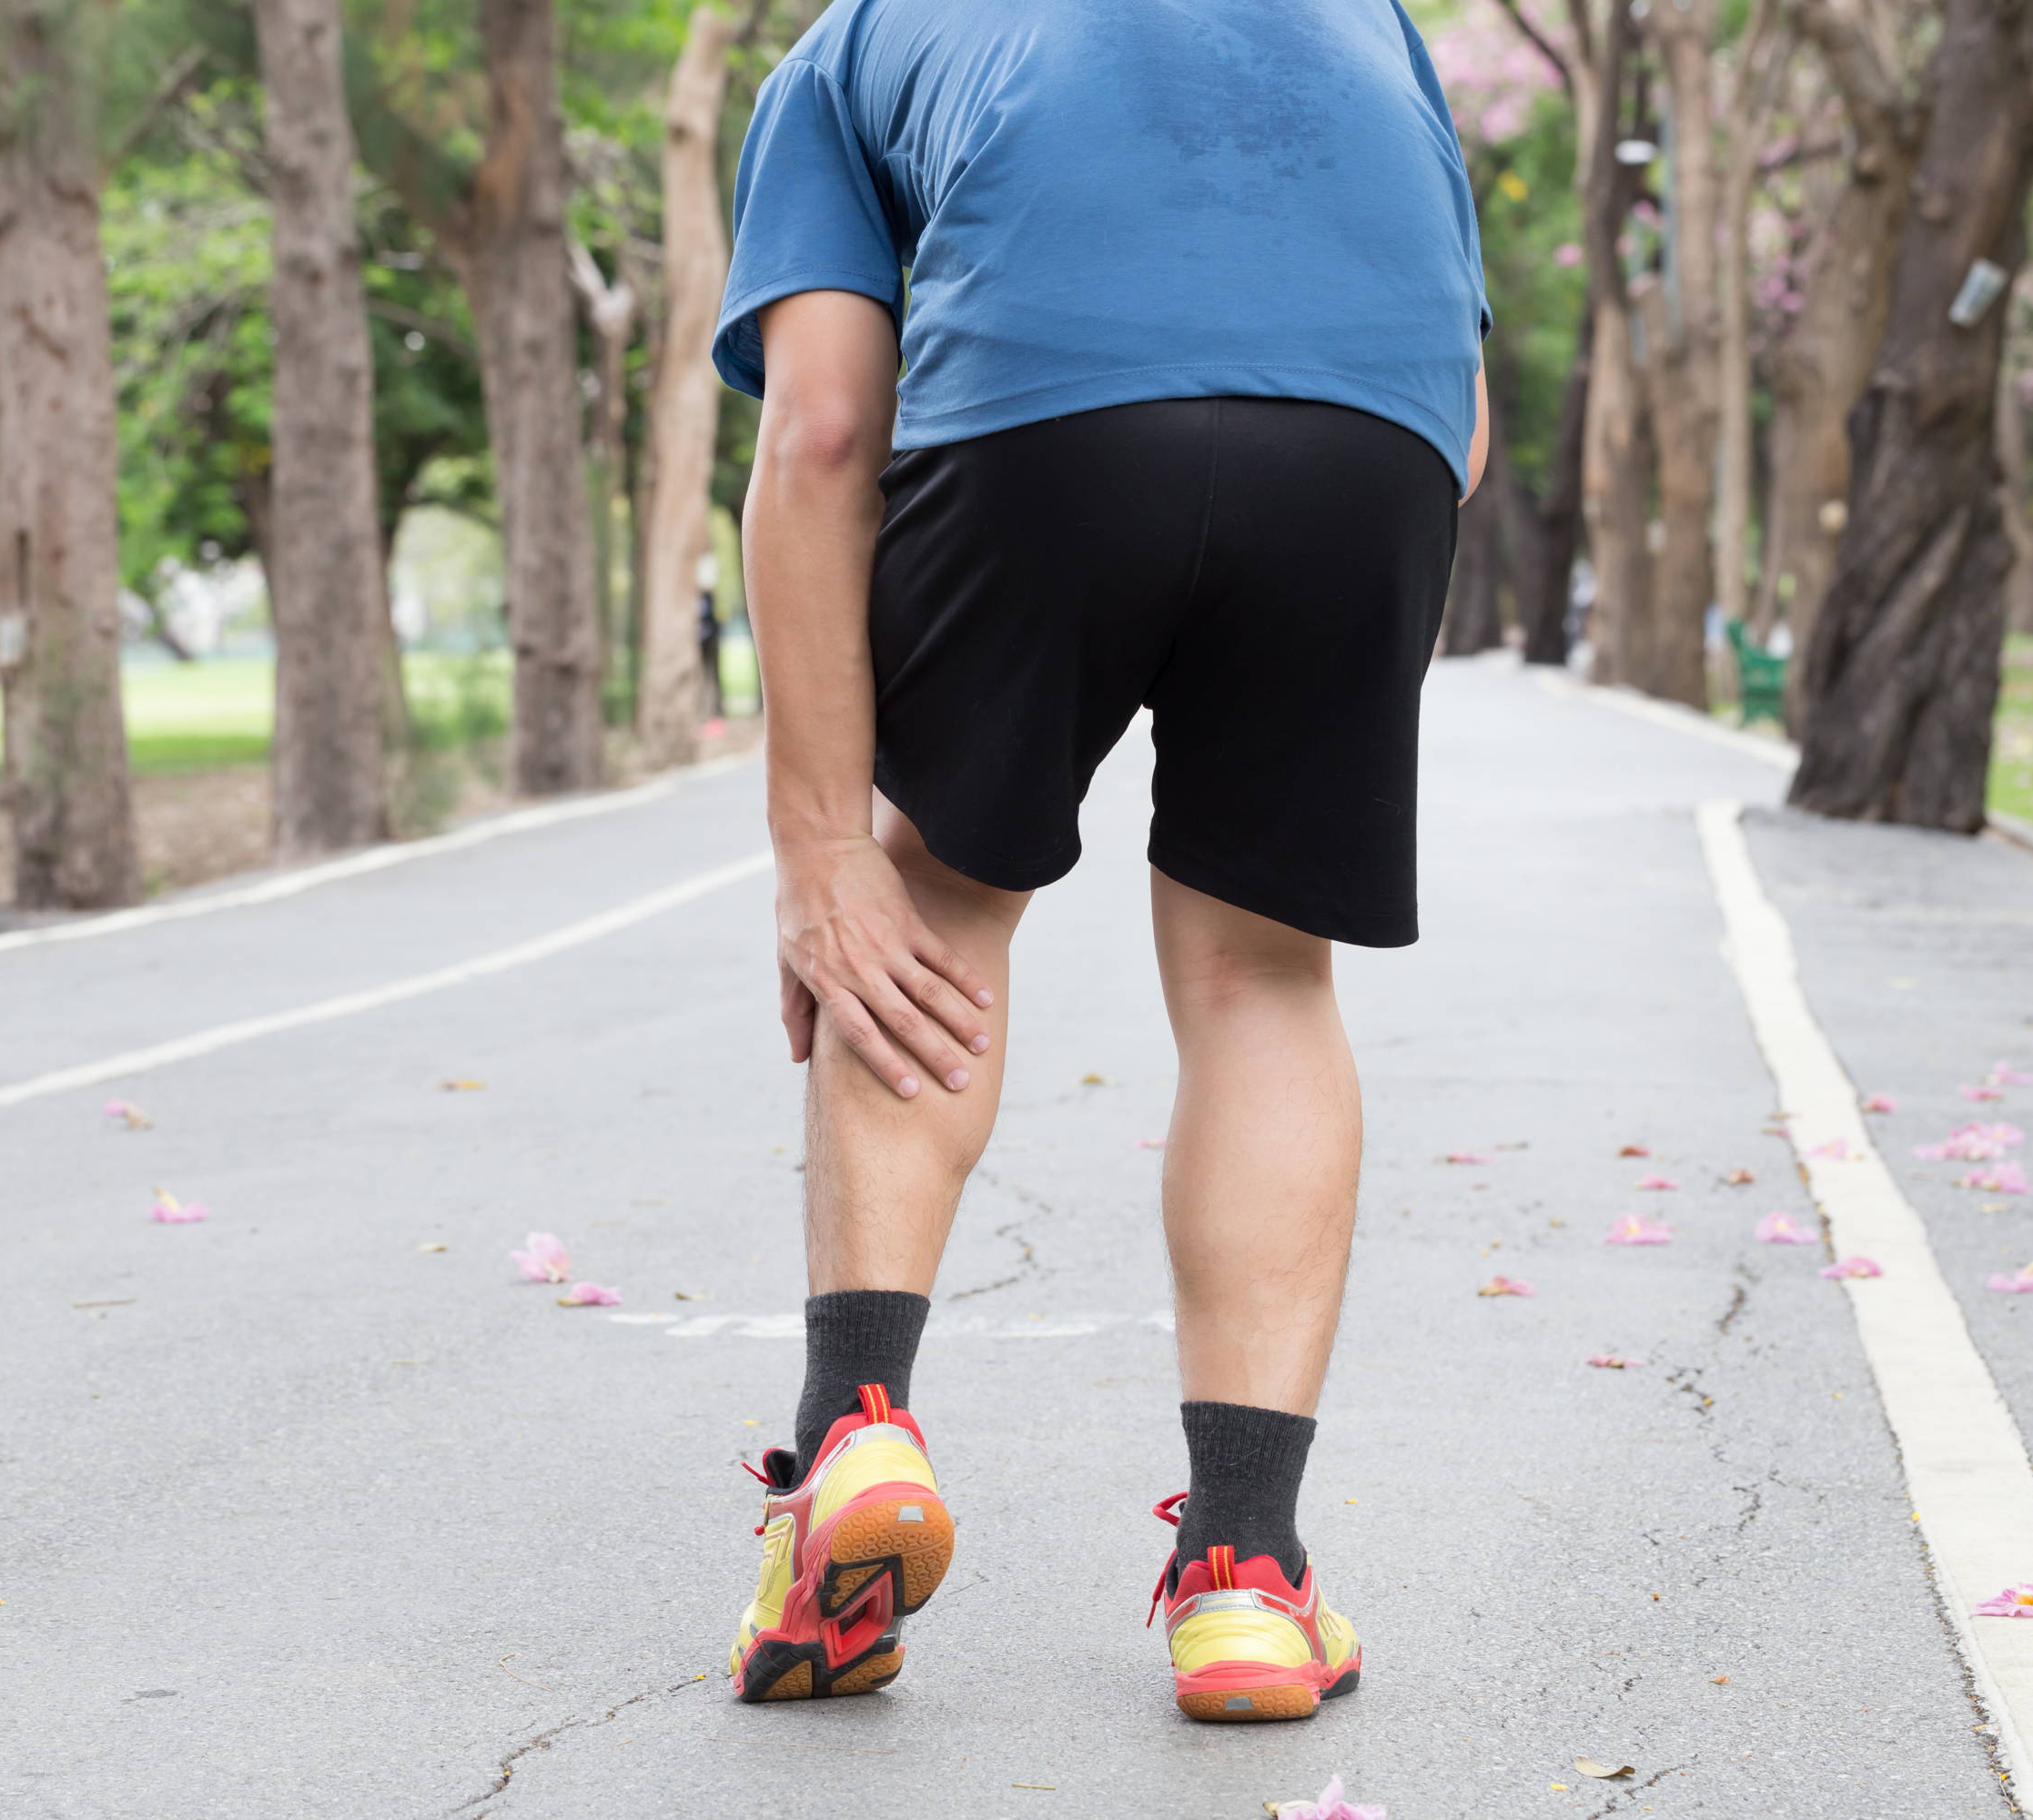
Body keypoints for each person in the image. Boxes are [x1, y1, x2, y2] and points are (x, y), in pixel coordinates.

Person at [712, 0, 1489, 1722]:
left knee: (929, 904)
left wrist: (823, 843)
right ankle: (1247, 1582)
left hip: (1055, 423)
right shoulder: (1375, 22)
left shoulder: (846, 49)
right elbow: (1467, 419)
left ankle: (853, 1441)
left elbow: (825, 433)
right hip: (1377, 455)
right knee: (1263, 971)